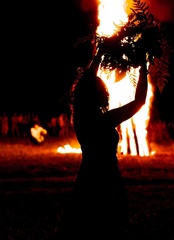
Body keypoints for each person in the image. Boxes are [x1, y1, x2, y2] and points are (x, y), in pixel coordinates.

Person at [56, 44, 148, 239]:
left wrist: (99, 54)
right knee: (107, 228)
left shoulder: (80, 118)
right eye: (101, 88)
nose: (105, 90)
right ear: (98, 95)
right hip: (106, 180)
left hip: (87, 177)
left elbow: (85, 82)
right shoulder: (104, 121)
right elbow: (139, 101)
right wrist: (144, 68)